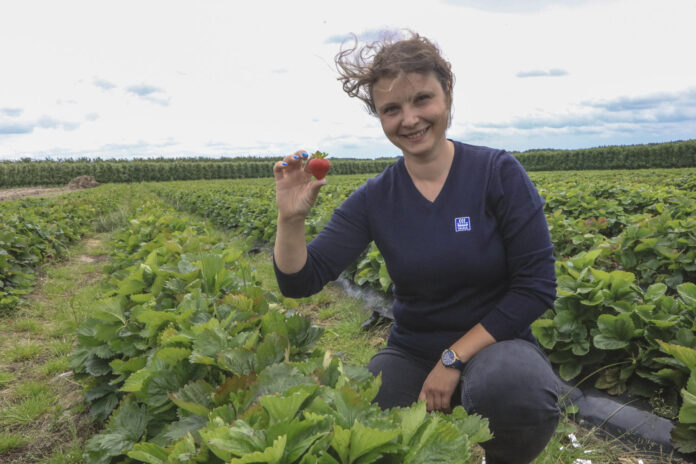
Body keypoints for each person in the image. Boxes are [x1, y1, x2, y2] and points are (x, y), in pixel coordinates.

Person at [272, 32, 560, 464]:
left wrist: (452, 359)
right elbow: (301, 282)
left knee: (516, 390)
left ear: (447, 94)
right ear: (380, 117)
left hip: (499, 345)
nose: (409, 119)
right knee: (362, 424)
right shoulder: (375, 198)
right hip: (413, 350)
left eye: (422, 99)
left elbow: (536, 287)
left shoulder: (496, 172)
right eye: (391, 109)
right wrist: (290, 220)